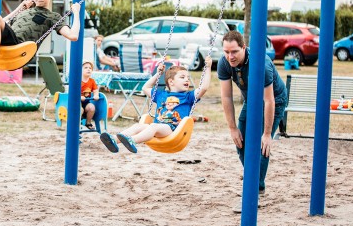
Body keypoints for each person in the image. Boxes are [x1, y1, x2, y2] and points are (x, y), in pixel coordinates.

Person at [217, 30, 288, 213]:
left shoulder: (260, 64)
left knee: (260, 146)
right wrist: (232, 128)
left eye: (234, 52)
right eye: (226, 52)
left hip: (274, 100)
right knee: (241, 142)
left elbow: (269, 100)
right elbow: (226, 97)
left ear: (243, 47)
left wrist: (266, 134)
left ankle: (253, 191)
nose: (230, 56)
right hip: (251, 100)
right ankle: (257, 182)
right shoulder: (224, 63)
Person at [98, 58, 211, 154]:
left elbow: (204, 88)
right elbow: (145, 88)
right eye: (182, 77)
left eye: (187, 77)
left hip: (172, 129)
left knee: (153, 126)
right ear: (171, 82)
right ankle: (114, 140)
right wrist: (158, 74)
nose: (187, 79)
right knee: (139, 126)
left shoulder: (188, 96)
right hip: (157, 127)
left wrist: (208, 68)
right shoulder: (161, 94)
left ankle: (132, 140)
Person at [80, 62, 99, 130]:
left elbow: (95, 90)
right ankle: (77, 124)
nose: (88, 69)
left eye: (90, 68)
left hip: (86, 102)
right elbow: (74, 91)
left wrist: (96, 95)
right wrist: (79, 97)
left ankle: (88, 123)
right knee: (80, 110)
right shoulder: (78, 80)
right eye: (86, 68)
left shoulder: (92, 81)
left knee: (92, 107)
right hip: (77, 102)